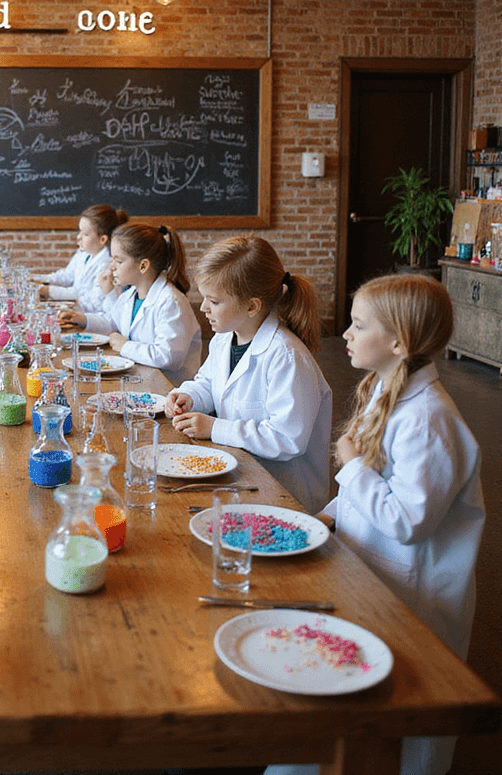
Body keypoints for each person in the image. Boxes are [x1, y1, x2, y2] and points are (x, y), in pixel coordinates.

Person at [266, 273, 485, 775]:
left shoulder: (428, 421)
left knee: (409, 710)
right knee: (359, 692)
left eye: (359, 325)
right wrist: (326, 515)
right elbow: (365, 495)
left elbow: (408, 521)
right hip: (371, 573)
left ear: (398, 343)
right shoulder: (387, 392)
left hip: (416, 592)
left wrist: (352, 466)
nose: (345, 333)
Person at [163, 235, 331, 514]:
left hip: (284, 492)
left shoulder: (286, 356)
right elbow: (208, 383)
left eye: (214, 301)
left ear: (252, 306)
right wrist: (188, 396)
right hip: (241, 473)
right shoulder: (225, 337)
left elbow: (288, 439)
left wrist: (215, 428)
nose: (203, 308)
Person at [58, 223, 202, 384]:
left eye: (118, 261)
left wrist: (125, 346)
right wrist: (80, 319)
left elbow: (168, 357)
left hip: (168, 388)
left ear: (143, 266)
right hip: (140, 380)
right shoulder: (130, 294)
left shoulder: (171, 302)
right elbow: (112, 322)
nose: (111, 266)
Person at [33, 204, 128, 313]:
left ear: (103, 239)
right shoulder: (83, 253)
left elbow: (93, 304)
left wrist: (49, 292)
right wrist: (35, 279)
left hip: (89, 317)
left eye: (85, 234)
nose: (78, 238)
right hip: (78, 311)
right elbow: (66, 276)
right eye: (80, 232)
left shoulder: (107, 265)